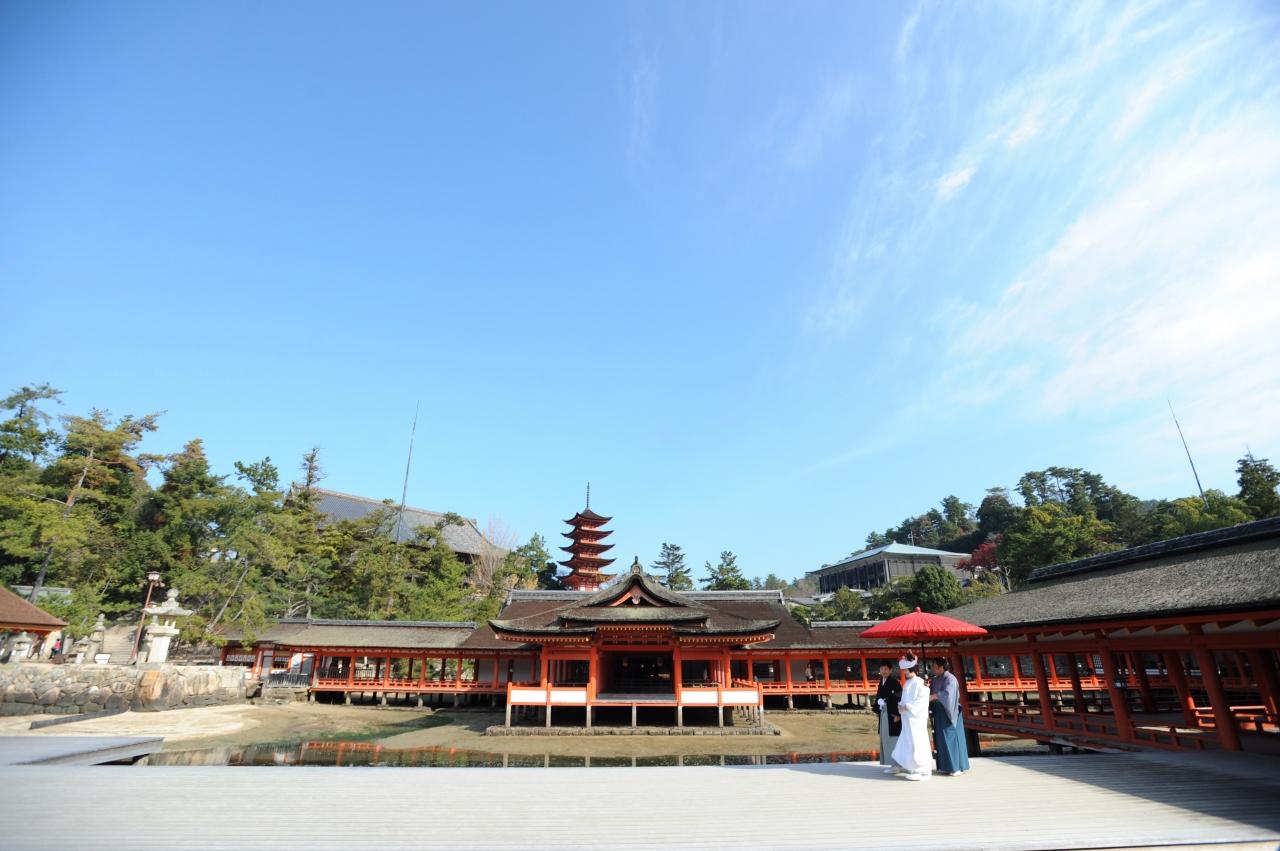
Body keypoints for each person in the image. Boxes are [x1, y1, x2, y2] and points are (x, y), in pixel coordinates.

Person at [890, 652, 933, 780]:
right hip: (908, 718)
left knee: (917, 742)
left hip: (916, 719)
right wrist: (901, 706)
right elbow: (905, 699)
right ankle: (913, 768)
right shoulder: (908, 683)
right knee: (909, 742)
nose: (905, 672)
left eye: (906, 670)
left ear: (912, 669)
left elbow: (922, 700)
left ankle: (922, 770)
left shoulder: (920, 682)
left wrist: (908, 707)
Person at [929, 657, 971, 777]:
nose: (933, 669)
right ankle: (945, 766)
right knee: (941, 739)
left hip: (949, 711)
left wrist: (934, 696)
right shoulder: (935, 679)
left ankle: (957, 767)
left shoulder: (950, 678)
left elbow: (948, 695)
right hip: (939, 712)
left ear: (942, 667)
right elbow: (930, 692)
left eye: (935, 667)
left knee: (951, 738)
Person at [874, 662, 901, 769]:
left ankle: (897, 764)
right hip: (884, 712)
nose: (883, 671)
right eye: (882, 669)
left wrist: (897, 715)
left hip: (892, 714)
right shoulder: (882, 682)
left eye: (886, 669)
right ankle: (892, 763)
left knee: (893, 738)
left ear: (890, 670)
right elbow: (878, 696)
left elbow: (898, 697)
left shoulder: (895, 683)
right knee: (885, 737)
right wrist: (878, 704)